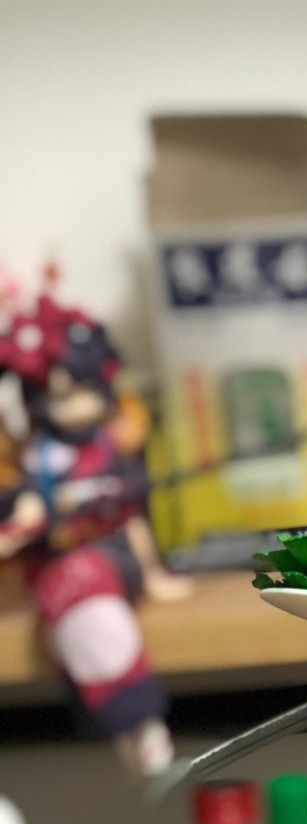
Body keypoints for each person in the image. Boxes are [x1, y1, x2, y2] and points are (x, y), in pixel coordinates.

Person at [0, 290, 188, 777]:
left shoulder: (112, 450)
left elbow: (134, 518)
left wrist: (153, 576)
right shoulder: (41, 458)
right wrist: (27, 515)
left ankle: (137, 718)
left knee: (90, 593)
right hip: (61, 565)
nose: (73, 406)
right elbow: (25, 506)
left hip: (110, 557)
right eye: (57, 396)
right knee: (69, 601)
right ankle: (123, 720)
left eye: (81, 390)